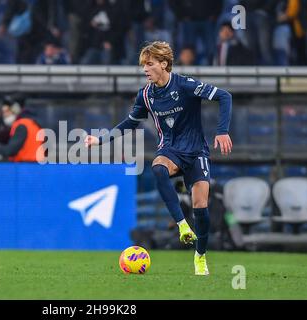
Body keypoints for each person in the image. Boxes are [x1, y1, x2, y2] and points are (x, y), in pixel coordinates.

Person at [85, 41, 233, 275]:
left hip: (196, 152)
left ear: (164, 64)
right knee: (157, 168)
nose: (145, 69)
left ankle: (200, 255)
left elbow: (225, 96)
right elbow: (130, 123)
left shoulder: (185, 85)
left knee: (201, 207)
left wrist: (222, 130)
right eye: (143, 65)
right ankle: (182, 225)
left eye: (149, 64)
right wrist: (101, 140)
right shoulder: (145, 95)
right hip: (170, 150)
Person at [0, 94, 45, 163]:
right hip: (32, 167)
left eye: (7, 111)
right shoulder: (29, 123)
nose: (4, 115)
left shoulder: (22, 125)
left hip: (28, 167)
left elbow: (9, 151)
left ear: (16, 110)